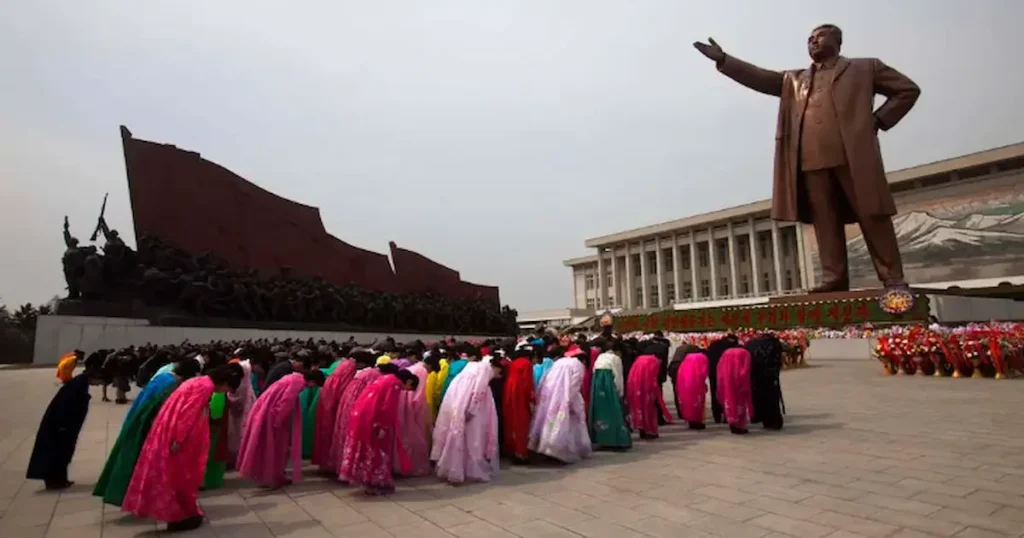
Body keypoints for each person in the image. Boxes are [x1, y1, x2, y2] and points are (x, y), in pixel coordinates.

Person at [693, 25, 920, 292]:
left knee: (873, 215)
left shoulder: (865, 68)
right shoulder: (795, 80)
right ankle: (833, 279)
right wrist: (724, 60)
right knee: (825, 220)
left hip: (853, 156)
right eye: (809, 39)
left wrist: (878, 120)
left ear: (837, 41)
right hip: (810, 160)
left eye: (819, 37)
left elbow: (907, 90)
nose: (812, 42)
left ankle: (892, 277)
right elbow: (762, 79)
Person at [121, 367, 236, 532]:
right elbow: (188, 413)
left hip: (170, 431)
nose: (226, 391)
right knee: (179, 478)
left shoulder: (197, 381)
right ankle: (177, 517)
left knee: (175, 477)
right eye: (227, 388)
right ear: (223, 383)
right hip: (181, 441)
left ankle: (182, 514)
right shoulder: (205, 387)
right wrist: (179, 439)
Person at [93, 360, 200, 507]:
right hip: (145, 426)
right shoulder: (171, 385)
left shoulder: (163, 377)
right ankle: (137, 497)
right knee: (137, 461)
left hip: (136, 419)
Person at [236, 370, 325, 488]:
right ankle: (273, 477)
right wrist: (278, 422)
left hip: (265, 409)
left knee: (266, 446)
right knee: (276, 448)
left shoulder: (293, 377)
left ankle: (268, 476)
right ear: (313, 381)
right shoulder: (298, 382)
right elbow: (285, 402)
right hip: (271, 415)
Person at [338, 370, 419, 495]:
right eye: (408, 388)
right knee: (377, 451)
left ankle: (367, 481)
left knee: (365, 450)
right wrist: (383, 427)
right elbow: (387, 408)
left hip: (361, 416)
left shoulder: (385, 378)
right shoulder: (395, 385)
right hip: (373, 420)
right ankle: (375, 482)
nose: (406, 391)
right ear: (409, 382)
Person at [431, 360, 500, 483]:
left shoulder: (469, 367)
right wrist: (472, 409)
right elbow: (479, 391)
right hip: (473, 407)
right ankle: (468, 468)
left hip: (459, 400)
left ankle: (454, 467)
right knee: (473, 438)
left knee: (458, 435)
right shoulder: (484, 369)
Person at [27, 369, 93, 490]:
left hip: (64, 430)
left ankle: (61, 479)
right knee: (55, 455)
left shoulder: (74, 390)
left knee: (64, 455)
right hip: (58, 430)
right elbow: (64, 412)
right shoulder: (72, 393)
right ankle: (53, 481)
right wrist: (63, 427)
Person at [529, 357, 591, 463]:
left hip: (549, 396)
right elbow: (575, 385)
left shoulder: (557, 364)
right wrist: (569, 400)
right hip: (566, 397)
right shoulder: (578, 366)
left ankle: (546, 446)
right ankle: (564, 449)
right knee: (570, 424)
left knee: (549, 423)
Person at [329, 360, 383, 471]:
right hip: (358, 404)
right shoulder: (373, 374)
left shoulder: (358, 373)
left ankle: (343, 465)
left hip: (348, 402)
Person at [311, 358, 356, 472]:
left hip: (327, 402)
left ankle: (326, 462)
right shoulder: (348, 370)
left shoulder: (333, 377)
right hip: (333, 406)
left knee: (325, 432)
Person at [589, 342, 630, 449]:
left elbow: (594, 370)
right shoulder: (616, 358)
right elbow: (618, 376)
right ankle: (615, 440)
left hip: (597, 382)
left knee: (600, 411)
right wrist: (620, 392)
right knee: (613, 410)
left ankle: (601, 438)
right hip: (608, 382)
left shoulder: (600, 357)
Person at [395, 359, 432, 477]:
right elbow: (420, 392)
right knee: (413, 436)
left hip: (402, 401)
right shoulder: (422, 371)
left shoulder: (411, 369)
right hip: (411, 403)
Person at [626, 350, 673, 439]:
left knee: (639, 407)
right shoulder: (653, 361)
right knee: (649, 409)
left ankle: (642, 429)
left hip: (635, 385)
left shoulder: (639, 360)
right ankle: (650, 431)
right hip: (648, 387)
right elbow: (653, 378)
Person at [746, 334, 786, 430]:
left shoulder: (750, 343)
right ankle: (773, 422)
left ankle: (761, 418)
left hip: (754, 375)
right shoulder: (774, 343)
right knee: (771, 398)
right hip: (769, 375)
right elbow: (777, 360)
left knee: (758, 397)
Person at [501, 350, 534, 462]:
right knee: (521, 421)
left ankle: (511, 448)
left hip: (509, 390)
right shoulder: (526, 363)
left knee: (510, 420)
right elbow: (527, 382)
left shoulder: (514, 362)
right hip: (519, 392)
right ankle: (520, 453)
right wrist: (532, 398)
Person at [226, 359, 257, 464]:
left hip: (240, 413)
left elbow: (235, 400)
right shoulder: (246, 383)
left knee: (237, 433)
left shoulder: (242, 386)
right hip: (244, 411)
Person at [716, 347, 754, 435]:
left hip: (727, 380)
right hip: (738, 383)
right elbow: (744, 371)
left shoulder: (726, 353)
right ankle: (739, 425)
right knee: (739, 403)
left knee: (730, 400)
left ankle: (732, 421)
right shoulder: (743, 354)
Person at [706, 336, 740, 424]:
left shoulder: (713, 345)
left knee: (715, 393)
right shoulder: (730, 346)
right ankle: (727, 415)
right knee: (728, 393)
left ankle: (717, 416)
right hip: (726, 372)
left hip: (713, 372)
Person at [676, 350, 710, 430]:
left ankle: (691, 421)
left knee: (687, 402)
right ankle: (696, 421)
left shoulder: (686, 360)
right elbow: (703, 372)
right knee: (697, 402)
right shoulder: (701, 358)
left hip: (684, 383)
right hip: (696, 384)